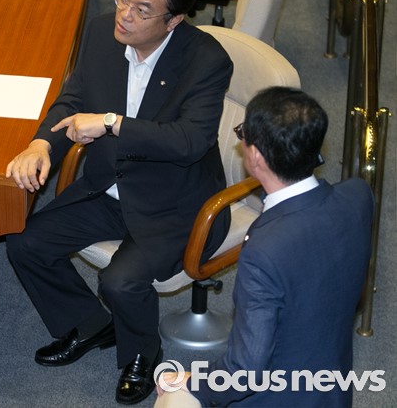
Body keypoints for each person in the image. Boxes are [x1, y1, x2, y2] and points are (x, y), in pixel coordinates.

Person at [5, 0, 233, 405]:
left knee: (120, 281)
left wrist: (112, 123)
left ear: (174, 20)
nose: (124, 15)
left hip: (174, 201)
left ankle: (142, 355)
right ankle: (91, 324)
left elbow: (190, 141)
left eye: (142, 10)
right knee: (25, 244)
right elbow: (73, 98)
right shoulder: (101, 33)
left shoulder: (206, 60)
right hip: (109, 185)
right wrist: (41, 145)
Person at [156, 87, 373, 407]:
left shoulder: (264, 251)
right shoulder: (358, 195)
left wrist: (191, 383)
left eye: (242, 134)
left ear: (256, 156)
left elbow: (245, 370)